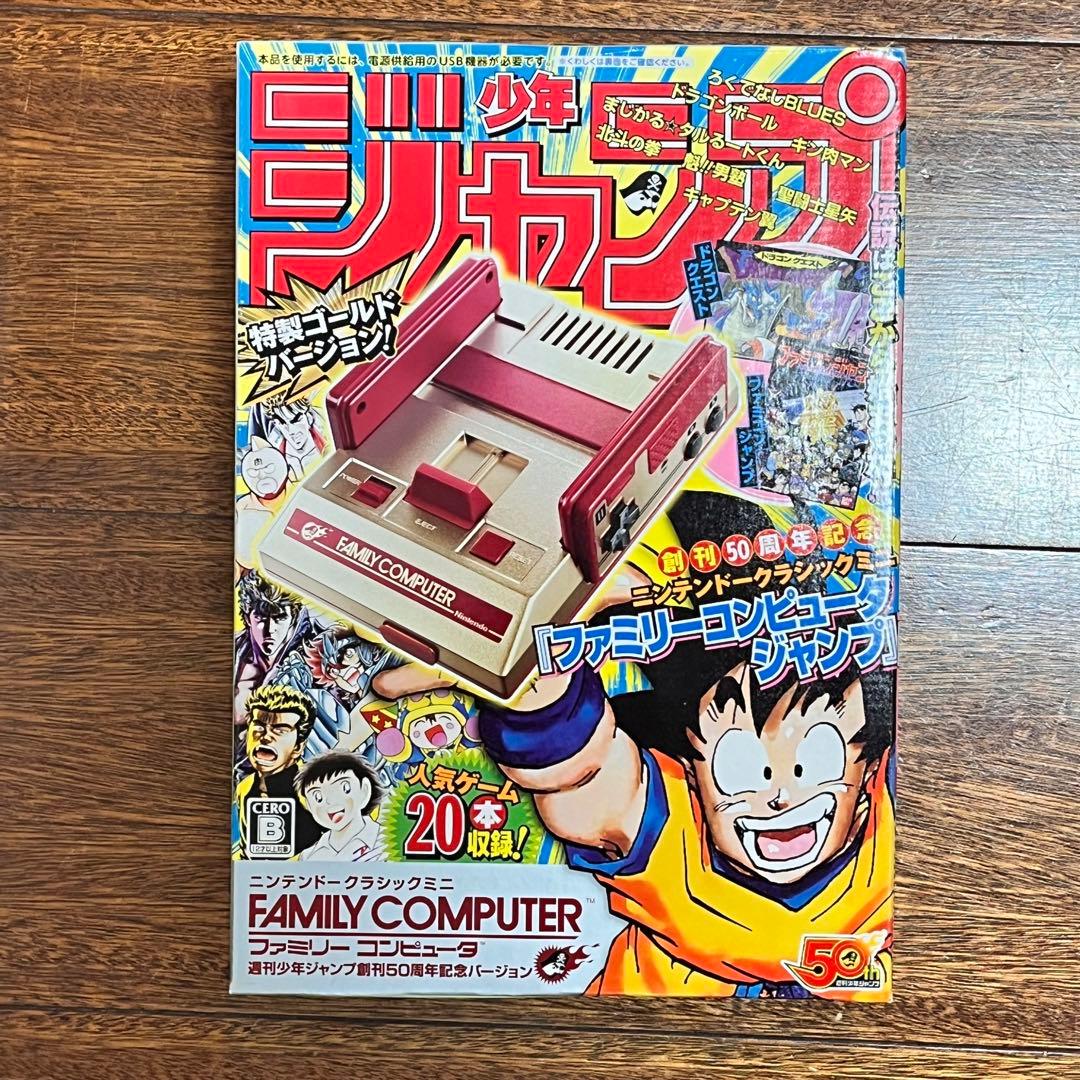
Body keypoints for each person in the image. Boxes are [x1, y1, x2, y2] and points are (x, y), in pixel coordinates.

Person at [476, 491, 895, 996]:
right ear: (693, 775)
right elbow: (573, 769)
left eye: (816, 760)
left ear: (865, 771)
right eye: (738, 767)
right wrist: (534, 649)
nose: (780, 796)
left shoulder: (888, 829)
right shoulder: (670, 835)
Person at [235, 684, 324, 857]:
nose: (266, 737)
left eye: (280, 730)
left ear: (298, 747)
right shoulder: (244, 788)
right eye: (259, 726)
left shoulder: (313, 789)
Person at [294, 752, 385, 862]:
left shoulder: (387, 842)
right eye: (318, 797)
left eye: (345, 788)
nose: (330, 801)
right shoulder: (308, 856)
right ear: (309, 805)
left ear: (365, 790)